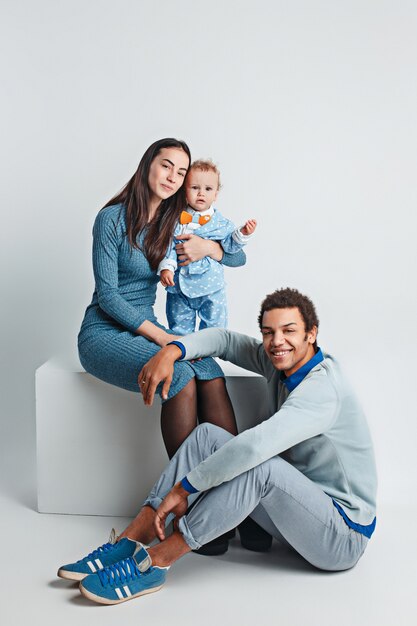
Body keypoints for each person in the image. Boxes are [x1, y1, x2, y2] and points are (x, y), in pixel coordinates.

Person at [59, 288, 377, 605]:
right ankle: (133, 538)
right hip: (298, 517)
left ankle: (155, 562)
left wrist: (184, 489)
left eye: (289, 330)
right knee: (208, 434)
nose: (277, 341)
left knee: (260, 468)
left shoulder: (322, 389)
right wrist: (171, 351)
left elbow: (254, 448)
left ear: (312, 333)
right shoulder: (281, 364)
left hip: (342, 536)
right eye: (269, 332)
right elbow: (225, 341)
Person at [77, 138, 244, 459]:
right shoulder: (110, 219)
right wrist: (168, 340)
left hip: (147, 326)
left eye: (181, 172)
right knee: (179, 373)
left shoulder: (175, 220)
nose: (172, 176)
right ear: (147, 165)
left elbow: (238, 259)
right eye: (166, 165)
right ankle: (181, 493)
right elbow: (109, 298)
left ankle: (233, 488)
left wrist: (209, 248)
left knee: (208, 369)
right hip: (103, 333)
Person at [158, 159, 257, 334]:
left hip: (211, 287)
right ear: (184, 191)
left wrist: (242, 233)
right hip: (179, 287)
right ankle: (184, 352)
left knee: (214, 328)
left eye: (208, 189)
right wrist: (167, 268)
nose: (201, 193)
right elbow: (169, 246)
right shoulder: (175, 220)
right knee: (179, 328)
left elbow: (230, 248)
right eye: (195, 188)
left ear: (216, 194)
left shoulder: (222, 224)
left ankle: (206, 353)